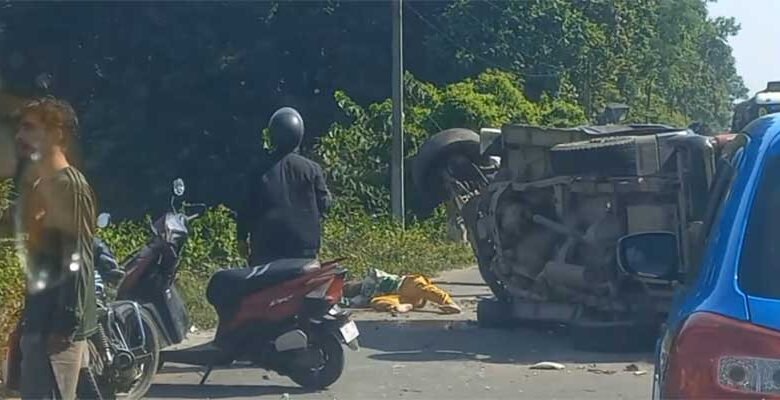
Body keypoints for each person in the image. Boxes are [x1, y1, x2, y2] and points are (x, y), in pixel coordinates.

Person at [14, 97, 98, 400]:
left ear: (56, 133)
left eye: (29, 128)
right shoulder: (42, 184)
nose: (19, 136)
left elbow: (78, 258)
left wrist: (65, 324)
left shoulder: (69, 186)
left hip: (55, 328)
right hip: (41, 318)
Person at [237, 107, 331, 266]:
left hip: (266, 253)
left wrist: (241, 239)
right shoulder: (312, 169)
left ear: (272, 135)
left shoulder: (257, 171)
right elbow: (325, 204)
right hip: (305, 253)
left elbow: (246, 208)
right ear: (299, 134)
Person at [344, 268, 462, 314]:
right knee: (377, 302)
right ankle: (403, 306)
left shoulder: (370, 278)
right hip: (398, 297)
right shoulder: (362, 296)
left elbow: (374, 273)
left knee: (424, 289)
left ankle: (449, 303)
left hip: (403, 284)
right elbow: (354, 303)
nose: (352, 286)